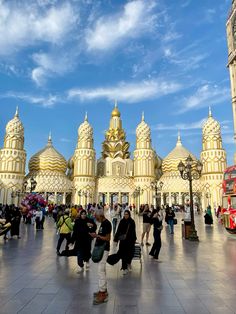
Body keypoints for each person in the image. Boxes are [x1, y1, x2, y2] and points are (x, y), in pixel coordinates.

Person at [90, 208, 111, 305]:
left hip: (104, 249)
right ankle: (103, 290)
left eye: (96, 217)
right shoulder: (103, 223)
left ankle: (102, 293)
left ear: (101, 216)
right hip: (100, 248)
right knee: (102, 270)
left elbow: (107, 238)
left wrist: (97, 236)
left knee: (100, 270)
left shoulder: (107, 224)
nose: (96, 218)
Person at [114, 210, 136, 275]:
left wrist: (134, 239)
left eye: (127, 214)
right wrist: (116, 240)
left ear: (129, 215)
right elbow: (118, 230)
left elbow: (133, 231)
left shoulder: (132, 222)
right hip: (123, 241)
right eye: (125, 214)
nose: (126, 215)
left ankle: (128, 263)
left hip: (130, 241)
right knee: (123, 255)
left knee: (130, 254)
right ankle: (124, 268)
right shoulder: (122, 221)